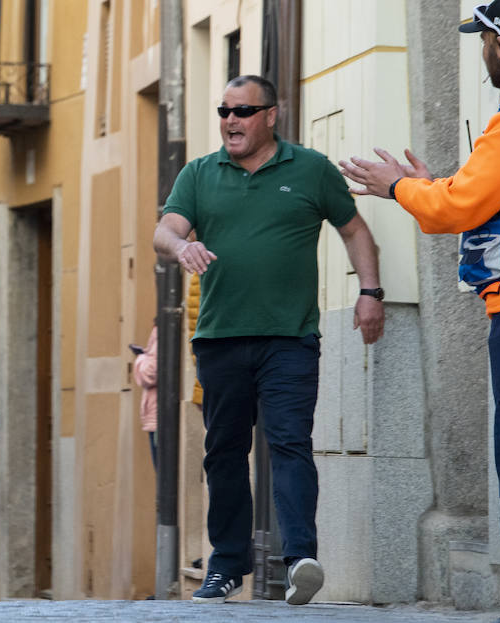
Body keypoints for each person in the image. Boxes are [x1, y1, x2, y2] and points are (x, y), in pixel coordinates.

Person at [339, 2, 500, 621]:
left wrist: (399, 188)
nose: (482, 52)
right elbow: (482, 197)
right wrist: (434, 189)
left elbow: (458, 206)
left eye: (483, 39)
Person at [154, 75, 385, 605]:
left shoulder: (310, 170)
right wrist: (179, 247)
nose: (230, 121)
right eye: (224, 111)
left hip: (290, 338)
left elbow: (353, 230)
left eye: (243, 111)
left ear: (271, 116)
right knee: (224, 452)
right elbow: (165, 230)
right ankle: (228, 565)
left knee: (289, 444)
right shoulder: (199, 173)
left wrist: (370, 292)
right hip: (220, 339)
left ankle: (300, 556)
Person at [132, 324, 158, 468]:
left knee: (161, 470)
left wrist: (141, 358)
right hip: (158, 414)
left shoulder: (160, 330)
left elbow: (149, 373)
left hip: (158, 415)